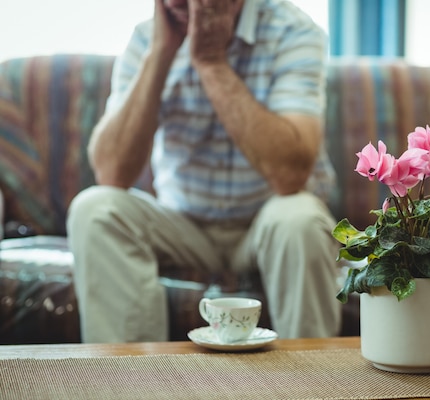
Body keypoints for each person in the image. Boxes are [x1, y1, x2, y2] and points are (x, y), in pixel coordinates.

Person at [66, 0, 341, 343]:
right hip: (183, 225)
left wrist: (211, 62)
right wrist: (161, 53)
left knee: (300, 218)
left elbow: (290, 176)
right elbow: (111, 173)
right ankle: (129, 385)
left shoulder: (294, 31)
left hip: (268, 223)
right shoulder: (146, 39)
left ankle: (312, 386)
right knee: (95, 208)